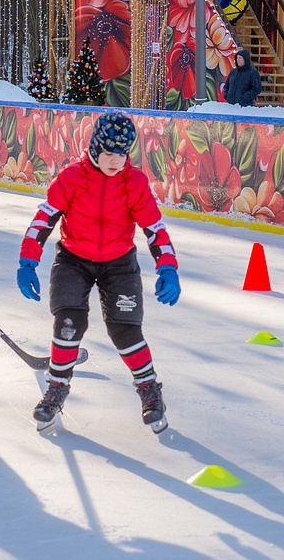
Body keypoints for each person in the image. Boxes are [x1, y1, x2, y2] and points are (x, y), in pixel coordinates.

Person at [16, 111, 180, 433]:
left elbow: (154, 229)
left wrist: (168, 267)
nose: (115, 161)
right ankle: (57, 387)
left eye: (122, 154)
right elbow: (44, 218)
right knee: (68, 322)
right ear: (94, 148)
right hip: (74, 258)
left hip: (119, 262)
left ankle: (149, 389)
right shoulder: (72, 177)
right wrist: (27, 261)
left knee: (125, 330)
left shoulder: (134, 182)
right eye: (108, 153)